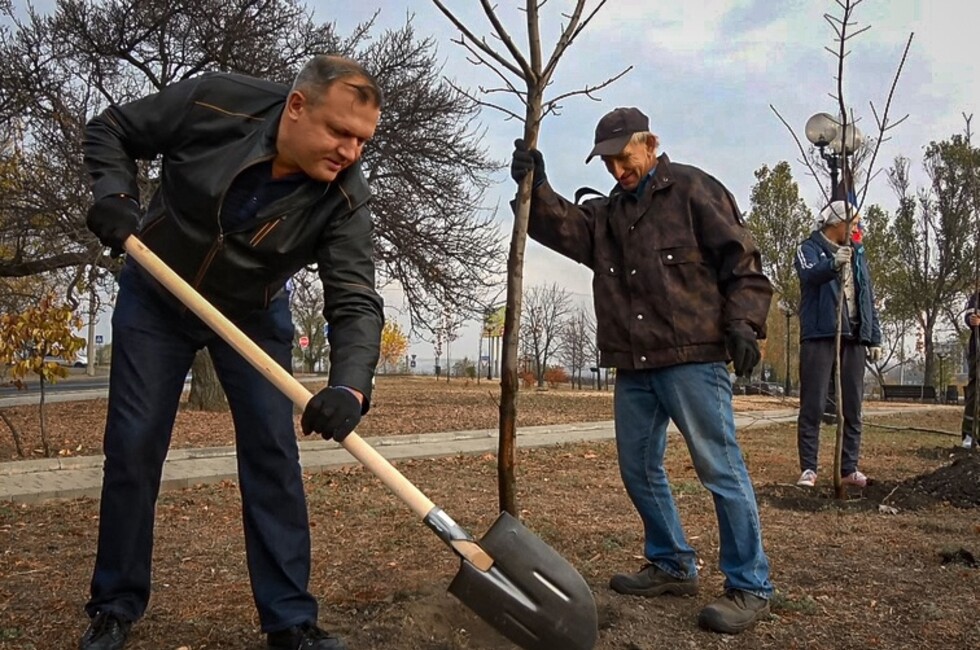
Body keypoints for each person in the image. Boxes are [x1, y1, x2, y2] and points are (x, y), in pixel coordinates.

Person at [79, 55, 386, 650]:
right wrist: (116, 193)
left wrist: (350, 385)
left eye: (362, 141)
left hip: (250, 312)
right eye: (340, 133)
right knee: (134, 446)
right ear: (297, 107)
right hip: (158, 292)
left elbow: (355, 298)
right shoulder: (219, 101)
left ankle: (290, 621)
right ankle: (114, 606)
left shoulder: (345, 196)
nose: (350, 152)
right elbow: (111, 127)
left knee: (273, 455)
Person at [510, 107, 775, 635]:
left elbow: (742, 262)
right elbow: (563, 228)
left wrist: (744, 323)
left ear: (650, 143)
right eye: (607, 162)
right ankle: (672, 561)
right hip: (634, 362)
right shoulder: (609, 214)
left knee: (719, 470)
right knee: (638, 467)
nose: (616, 170)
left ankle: (750, 585)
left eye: (622, 158)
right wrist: (536, 186)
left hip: (694, 358)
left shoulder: (696, 191)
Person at [794, 201, 881, 489]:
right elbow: (808, 274)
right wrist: (832, 264)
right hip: (820, 334)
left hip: (854, 337)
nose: (857, 228)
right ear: (836, 224)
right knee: (814, 404)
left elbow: (867, 295)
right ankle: (809, 468)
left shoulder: (857, 254)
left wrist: (874, 336)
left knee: (853, 407)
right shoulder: (808, 248)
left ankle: (849, 468)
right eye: (853, 222)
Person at [960, 292, 979, 449]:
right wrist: (972, 320)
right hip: (978, 352)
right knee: (975, 392)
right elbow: (969, 315)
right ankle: (969, 433)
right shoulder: (977, 296)